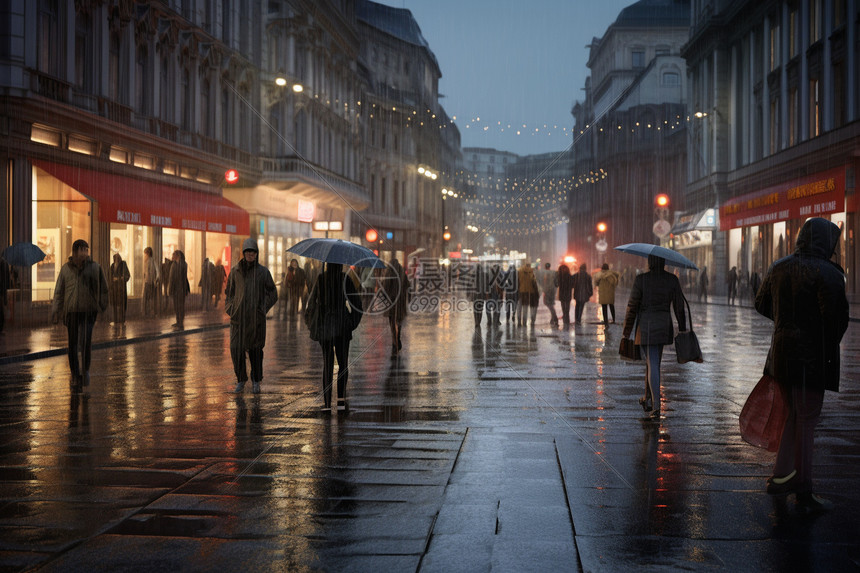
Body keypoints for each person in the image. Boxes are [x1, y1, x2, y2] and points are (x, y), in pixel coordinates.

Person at [754, 218, 848, 512]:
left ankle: (781, 476)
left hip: (782, 356)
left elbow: (761, 303)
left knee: (793, 416)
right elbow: (835, 321)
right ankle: (804, 489)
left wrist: (787, 320)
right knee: (807, 420)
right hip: (812, 357)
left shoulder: (779, 266)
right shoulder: (829, 273)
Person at [621, 255, 686, 420]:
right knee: (654, 362)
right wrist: (683, 327)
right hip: (664, 324)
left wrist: (626, 331)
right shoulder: (671, 279)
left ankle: (656, 405)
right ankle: (648, 397)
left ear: (650, 262)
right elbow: (679, 305)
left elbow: (632, 305)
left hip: (646, 325)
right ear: (664, 262)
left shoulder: (641, 279)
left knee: (652, 362)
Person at [306, 263, 363, 412]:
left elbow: (311, 304)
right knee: (343, 363)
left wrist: (312, 323)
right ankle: (341, 400)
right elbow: (357, 304)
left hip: (325, 326)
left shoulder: (321, 279)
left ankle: (326, 403)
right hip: (342, 326)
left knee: (328, 363)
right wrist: (351, 322)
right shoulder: (345, 279)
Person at [51, 239, 109, 386]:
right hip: (71, 312)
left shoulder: (95, 267)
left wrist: (102, 307)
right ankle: (75, 374)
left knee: (85, 342)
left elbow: (104, 289)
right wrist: (56, 311)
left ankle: (86, 370)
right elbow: (59, 291)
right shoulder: (66, 269)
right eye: (82, 250)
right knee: (72, 344)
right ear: (75, 252)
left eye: (86, 250)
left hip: (88, 311)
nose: (85, 253)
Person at [225, 238, 278, 394]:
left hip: (256, 320)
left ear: (256, 254)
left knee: (255, 351)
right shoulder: (235, 271)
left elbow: (273, 293)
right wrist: (231, 308)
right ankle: (241, 379)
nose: (250, 254)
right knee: (236, 349)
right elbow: (229, 293)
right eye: (248, 251)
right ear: (243, 253)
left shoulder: (263, 272)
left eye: (253, 252)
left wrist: (262, 307)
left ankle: (256, 380)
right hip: (238, 319)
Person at [383, 257, 409, 352]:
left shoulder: (389, 273)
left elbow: (385, 287)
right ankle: (398, 337)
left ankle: (394, 341)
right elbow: (408, 286)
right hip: (400, 301)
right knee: (399, 320)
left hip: (391, 301)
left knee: (392, 322)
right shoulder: (402, 273)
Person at [168, 250, 188, 328]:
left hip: (179, 289)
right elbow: (172, 278)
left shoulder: (180, 264)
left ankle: (180, 321)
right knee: (177, 306)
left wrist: (170, 289)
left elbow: (174, 278)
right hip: (178, 288)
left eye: (173, 255)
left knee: (179, 306)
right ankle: (178, 321)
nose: (172, 256)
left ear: (177, 256)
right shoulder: (176, 264)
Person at [109, 253, 130, 324]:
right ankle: (115, 320)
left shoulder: (123, 264)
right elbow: (109, 276)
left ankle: (122, 320)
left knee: (122, 305)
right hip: (114, 289)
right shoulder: (112, 266)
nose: (116, 260)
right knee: (115, 304)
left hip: (121, 288)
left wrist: (119, 279)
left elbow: (127, 275)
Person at [538, 262, 559, 327]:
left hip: (548, 291)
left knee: (549, 304)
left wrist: (544, 290)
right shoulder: (553, 273)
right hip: (552, 291)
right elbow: (556, 283)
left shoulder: (544, 274)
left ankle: (555, 318)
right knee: (551, 304)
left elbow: (542, 283)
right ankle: (553, 319)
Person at [142, 247, 159, 317]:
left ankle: (149, 313)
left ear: (148, 253)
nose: (144, 255)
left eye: (145, 253)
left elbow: (152, 272)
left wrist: (153, 280)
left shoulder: (150, 261)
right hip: (149, 282)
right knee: (149, 298)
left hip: (149, 283)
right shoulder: (150, 261)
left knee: (148, 298)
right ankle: (149, 312)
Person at [0, 255, 9, 333]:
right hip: (2, 290)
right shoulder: (4, 262)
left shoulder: (3, 262)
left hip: (2, 290)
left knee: (1, 309)